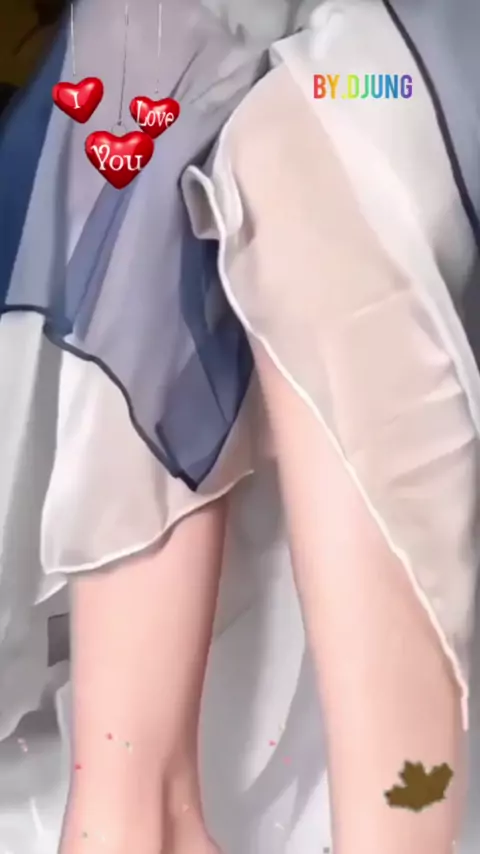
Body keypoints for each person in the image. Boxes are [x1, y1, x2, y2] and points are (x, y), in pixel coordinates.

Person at [0, 1, 479, 853]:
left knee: (301, 156)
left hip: (400, 56)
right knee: (129, 75)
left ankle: (392, 838)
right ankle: (136, 814)